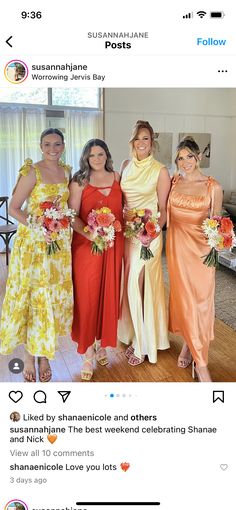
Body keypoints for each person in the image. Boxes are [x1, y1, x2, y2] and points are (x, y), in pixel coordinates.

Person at [0, 128, 73, 382]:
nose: (52, 148)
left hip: (59, 246)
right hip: (33, 246)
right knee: (35, 297)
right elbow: (14, 208)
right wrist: (38, 226)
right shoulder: (32, 171)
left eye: (57, 144)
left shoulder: (66, 171)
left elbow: (66, 208)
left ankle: (44, 354)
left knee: (50, 298)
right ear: (41, 146)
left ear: (63, 146)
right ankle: (30, 356)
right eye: (47, 144)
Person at [166, 136, 223, 382]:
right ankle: (201, 364)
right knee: (185, 300)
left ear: (199, 157)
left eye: (190, 156)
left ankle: (191, 347)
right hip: (178, 248)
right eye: (180, 158)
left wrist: (217, 246)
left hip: (202, 252)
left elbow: (218, 223)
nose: (185, 161)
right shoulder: (174, 181)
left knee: (201, 302)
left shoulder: (213, 186)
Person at [69, 139, 124, 381]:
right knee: (88, 298)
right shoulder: (79, 181)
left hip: (113, 247)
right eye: (92, 155)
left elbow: (124, 208)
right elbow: (72, 216)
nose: (97, 158)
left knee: (108, 295)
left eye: (101, 153)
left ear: (107, 155)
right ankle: (88, 352)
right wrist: (91, 234)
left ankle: (102, 344)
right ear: (86, 158)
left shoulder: (117, 177)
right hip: (86, 247)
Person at [118, 120, 170, 365]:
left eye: (146, 138)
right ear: (132, 141)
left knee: (137, 285)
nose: (141, 142)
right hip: (128, 234)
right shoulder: (125, 165)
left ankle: (143, 345)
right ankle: (134, 334)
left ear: (152, 142)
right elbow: (121, 202)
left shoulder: (160, 170)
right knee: (130, 287)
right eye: (137, 138)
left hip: (149, 237)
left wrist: (151, 233)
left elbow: (163, 210)